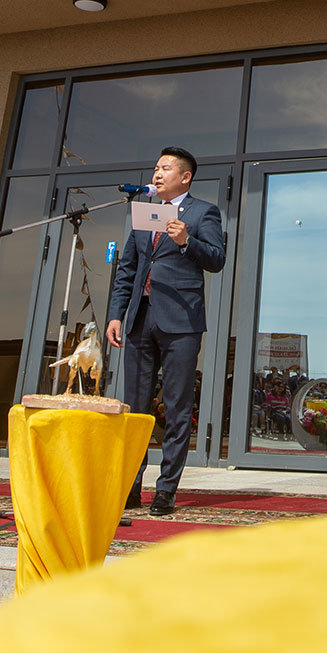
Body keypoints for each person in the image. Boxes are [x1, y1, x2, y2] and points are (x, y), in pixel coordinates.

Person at [107, 147, 226, 517]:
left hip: (181, 322)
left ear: (185, 177)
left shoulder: (203, 212)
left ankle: (166, 490)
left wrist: (186, 241)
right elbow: (128, 268)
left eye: (166, 168)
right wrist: (116, 315)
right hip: (140, 319)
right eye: (156, 168)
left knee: (176, 408)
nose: (157, 174)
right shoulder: (144, 211)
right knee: (135, 410)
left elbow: (217, 259)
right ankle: (130, 488)